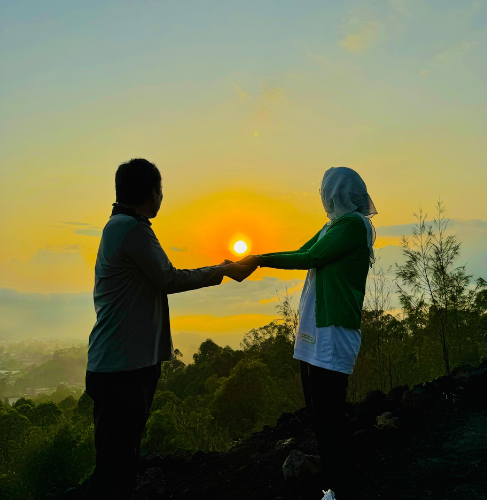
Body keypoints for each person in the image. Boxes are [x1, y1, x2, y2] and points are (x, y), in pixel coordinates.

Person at [84, 158, 256, 500]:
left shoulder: (120, 225)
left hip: (119, 365)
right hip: (123, 369)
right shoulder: (131, 229)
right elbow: (169, 278)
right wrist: (222, 270)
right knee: (116, 468)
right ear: (152, 193)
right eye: (160, 190)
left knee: (117, 461)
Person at [238, 166, 377, 500]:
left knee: (330, 420)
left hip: (334, 333)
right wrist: (257, 259)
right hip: (315, 332)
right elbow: (303, 251)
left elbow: (313, 257)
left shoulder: (356, 225)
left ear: (338, 193)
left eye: (326, 190)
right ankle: (334, 486)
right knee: (319, 417)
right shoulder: (332, 225)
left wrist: (258, 260)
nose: (323, 196)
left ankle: (343, 490)